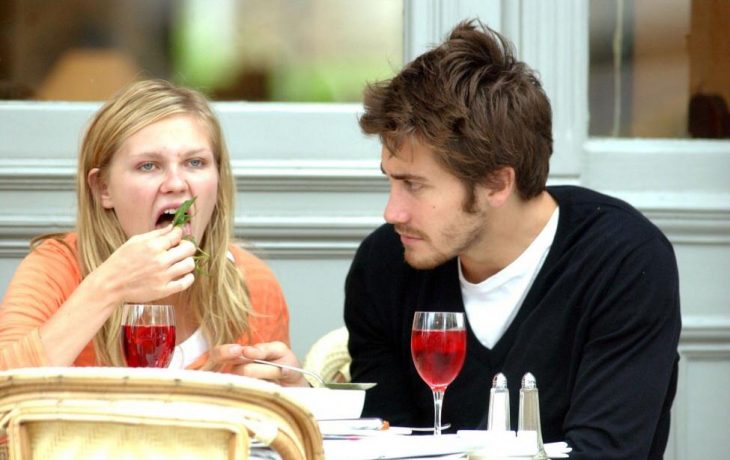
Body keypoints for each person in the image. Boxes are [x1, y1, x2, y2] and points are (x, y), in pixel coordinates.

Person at [344, 19, 681, 459]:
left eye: (414, 185)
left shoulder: (623, 263)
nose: (392, 213)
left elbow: (605, 452)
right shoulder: (384, 266)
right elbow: (382, 445)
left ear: (497, 183)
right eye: (391, 181)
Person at [0, 79, 306, 386]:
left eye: (195, 162)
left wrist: (295, 396)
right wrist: (110, 286)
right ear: (103, 188)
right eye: (149, 166)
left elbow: (272, 428)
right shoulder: (55, 270)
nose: (175, 183)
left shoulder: (253, 284)